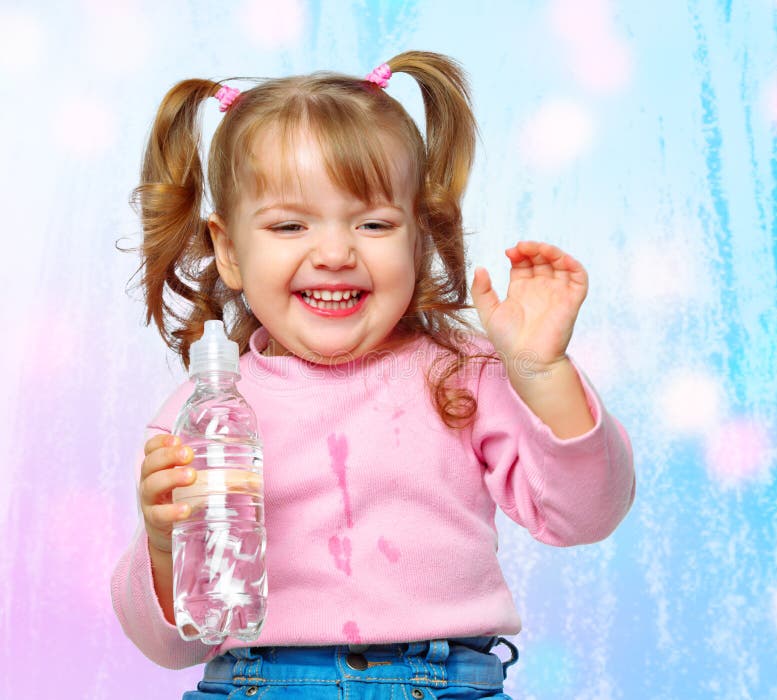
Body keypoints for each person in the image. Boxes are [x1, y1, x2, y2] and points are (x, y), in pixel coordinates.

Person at [111, 50, 635, 699]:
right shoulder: (206, 410)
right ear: (229, 250)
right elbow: (169, 645)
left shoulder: (461, 375)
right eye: (290, 224)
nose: (334, 252)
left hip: (443, 683)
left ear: (419, 238)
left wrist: (540, 372)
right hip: (255, 682)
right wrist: (165, 549)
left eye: (374, 223)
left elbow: (587, 516)